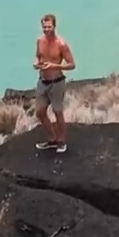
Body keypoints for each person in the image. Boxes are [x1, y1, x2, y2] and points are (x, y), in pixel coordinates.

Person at [33, 13, 74, 152]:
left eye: (49, 26)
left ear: (55, 26)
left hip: (57, 82)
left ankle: (61, 141)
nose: (47, 29)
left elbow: (72, 64)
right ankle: (51, 138)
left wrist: (53, 66)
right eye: (44, 27)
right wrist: (37, 63)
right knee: (40, 112)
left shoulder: (61, 44)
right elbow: (38, 56)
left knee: (57, 111)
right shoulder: (39, 41)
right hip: (42, 81)